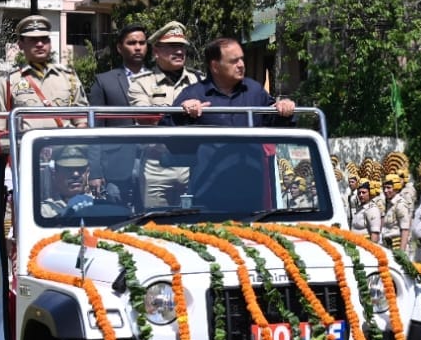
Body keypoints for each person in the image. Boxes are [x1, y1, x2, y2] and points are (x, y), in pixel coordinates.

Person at [128, 22, 205, 210]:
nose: (179, 52)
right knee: (155, 223)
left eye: (182, 47)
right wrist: (181, 109)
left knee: (195, 224)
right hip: (157, 166)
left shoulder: (200, 81)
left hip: (193, 165)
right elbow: (145, 119)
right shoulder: (141, 83)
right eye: (172, 47)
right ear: (156, 51)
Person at [167, 38, 295, 126]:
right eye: (234, 61)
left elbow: (274, 123)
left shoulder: (255, 91)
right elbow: (167, 133)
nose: (241, 65)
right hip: (211, 166)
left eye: (241, 59)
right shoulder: (193, 94)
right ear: (215, 66)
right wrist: (183, 113)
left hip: (251, 165)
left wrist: (285, 110)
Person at [87, 22, 148, 205]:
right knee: (116, 219)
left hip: (153, 163)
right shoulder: (105, 81)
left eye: (142, 43)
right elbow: (95, 129)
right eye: (131, 43)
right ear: (120, 48)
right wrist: (95, 171)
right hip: (116, 166)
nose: (137, 47)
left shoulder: (157, 79)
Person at [0, 14, 87, 124]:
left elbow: (82, 121)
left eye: (44, 39)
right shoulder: (7, 82)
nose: (40, 44)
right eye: (33, 39)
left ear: (50, 43)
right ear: (20, 45)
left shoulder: (69, 77)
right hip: (24, 141)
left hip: (62, 141)